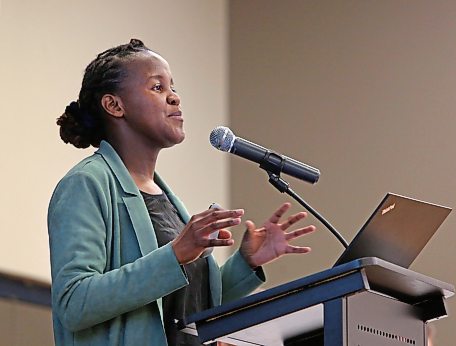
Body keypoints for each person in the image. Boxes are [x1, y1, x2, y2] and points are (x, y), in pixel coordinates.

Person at [48, 39, 316, 346]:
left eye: (173, 88)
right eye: (158, 87)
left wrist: (245, 262)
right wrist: (175, 254)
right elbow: (74, 303)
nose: (174, 98)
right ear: (114, 105)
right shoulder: (87, 183)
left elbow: (181, 308)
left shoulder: (165, 198)